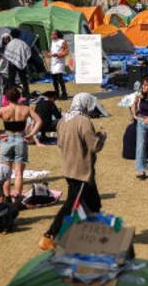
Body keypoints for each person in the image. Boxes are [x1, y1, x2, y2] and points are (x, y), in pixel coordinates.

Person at [41, 93, 106, 246]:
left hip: (69, 167)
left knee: (94, 202)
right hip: (81, 171)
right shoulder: (83, 121)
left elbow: (61, 143)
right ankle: (49, 235)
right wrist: (102, 136)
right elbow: (94, 146)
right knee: (71, 205)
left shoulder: (63, 121)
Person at [0, 87, 40, 198]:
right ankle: (17, 198)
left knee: (6, 173)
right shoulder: (26, 109)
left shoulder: (3, 110)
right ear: (19, 97)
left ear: (7, 98)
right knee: (19, 173)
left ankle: (6, 197)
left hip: (7, 139)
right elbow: (39, 121)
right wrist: (31, 134)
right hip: (21, 139)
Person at [3, 29, 32, 96]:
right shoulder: (22, 43)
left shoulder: (9, 44)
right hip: (21, 64)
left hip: (12, 64)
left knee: (11, 80)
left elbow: (7, 55)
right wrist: (23, 60)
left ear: (11, 35)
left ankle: (11, 94)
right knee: (23, 79)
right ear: (19, 35)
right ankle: (26, 93)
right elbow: (28, 53)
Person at [48, 30, 70, 100]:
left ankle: (64, 94)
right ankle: (56, 94)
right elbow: (52, 51)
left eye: (54, 34)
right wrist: (49, 54)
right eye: (51, 35)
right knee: (54, 80)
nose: (52, 36)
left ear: (58, 35)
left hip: (59, 63)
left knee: (60, 79)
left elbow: (66, 52)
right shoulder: (52, 42)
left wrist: (58, 54)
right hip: (53, 63)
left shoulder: (62, 41)